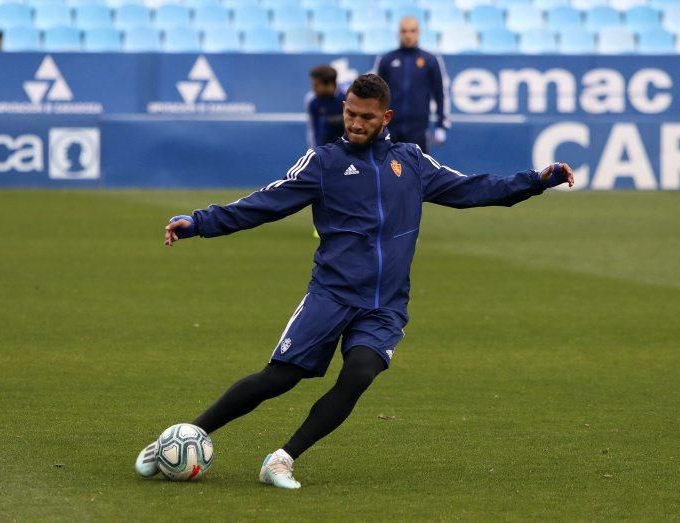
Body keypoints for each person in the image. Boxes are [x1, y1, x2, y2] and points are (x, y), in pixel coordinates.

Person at [136, 74, 574, 489]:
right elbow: (264, 203)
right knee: (279, 378)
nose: (356, 123)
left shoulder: (411, 161)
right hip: (332, 294)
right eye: (350, 114)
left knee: (360, 372)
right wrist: (199, 222)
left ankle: (282, 458)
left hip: (385, 303)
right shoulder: (324, 163)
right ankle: (180, 438)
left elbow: (475, 188)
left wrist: (536, 180)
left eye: (366, 117)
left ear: (386, 118)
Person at [376, 16, 449, 153]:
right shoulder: (387, 59)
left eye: (412, 31)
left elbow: (440, 94)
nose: (408, 35)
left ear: (418, 32)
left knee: (418, 169)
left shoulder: (430, 60)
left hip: (418, 128)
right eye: (404, 31)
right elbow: (377, 95)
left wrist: (441, 125)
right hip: (390, 126)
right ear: (398, 33)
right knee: (388, 170)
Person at [306, 65, 346, 147]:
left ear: (329, 84)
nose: (313, 88)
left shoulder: (347, 97)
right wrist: (315, 151)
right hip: (324, 151)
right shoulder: (312, 102)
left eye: (316, 85)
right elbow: (313, 131)